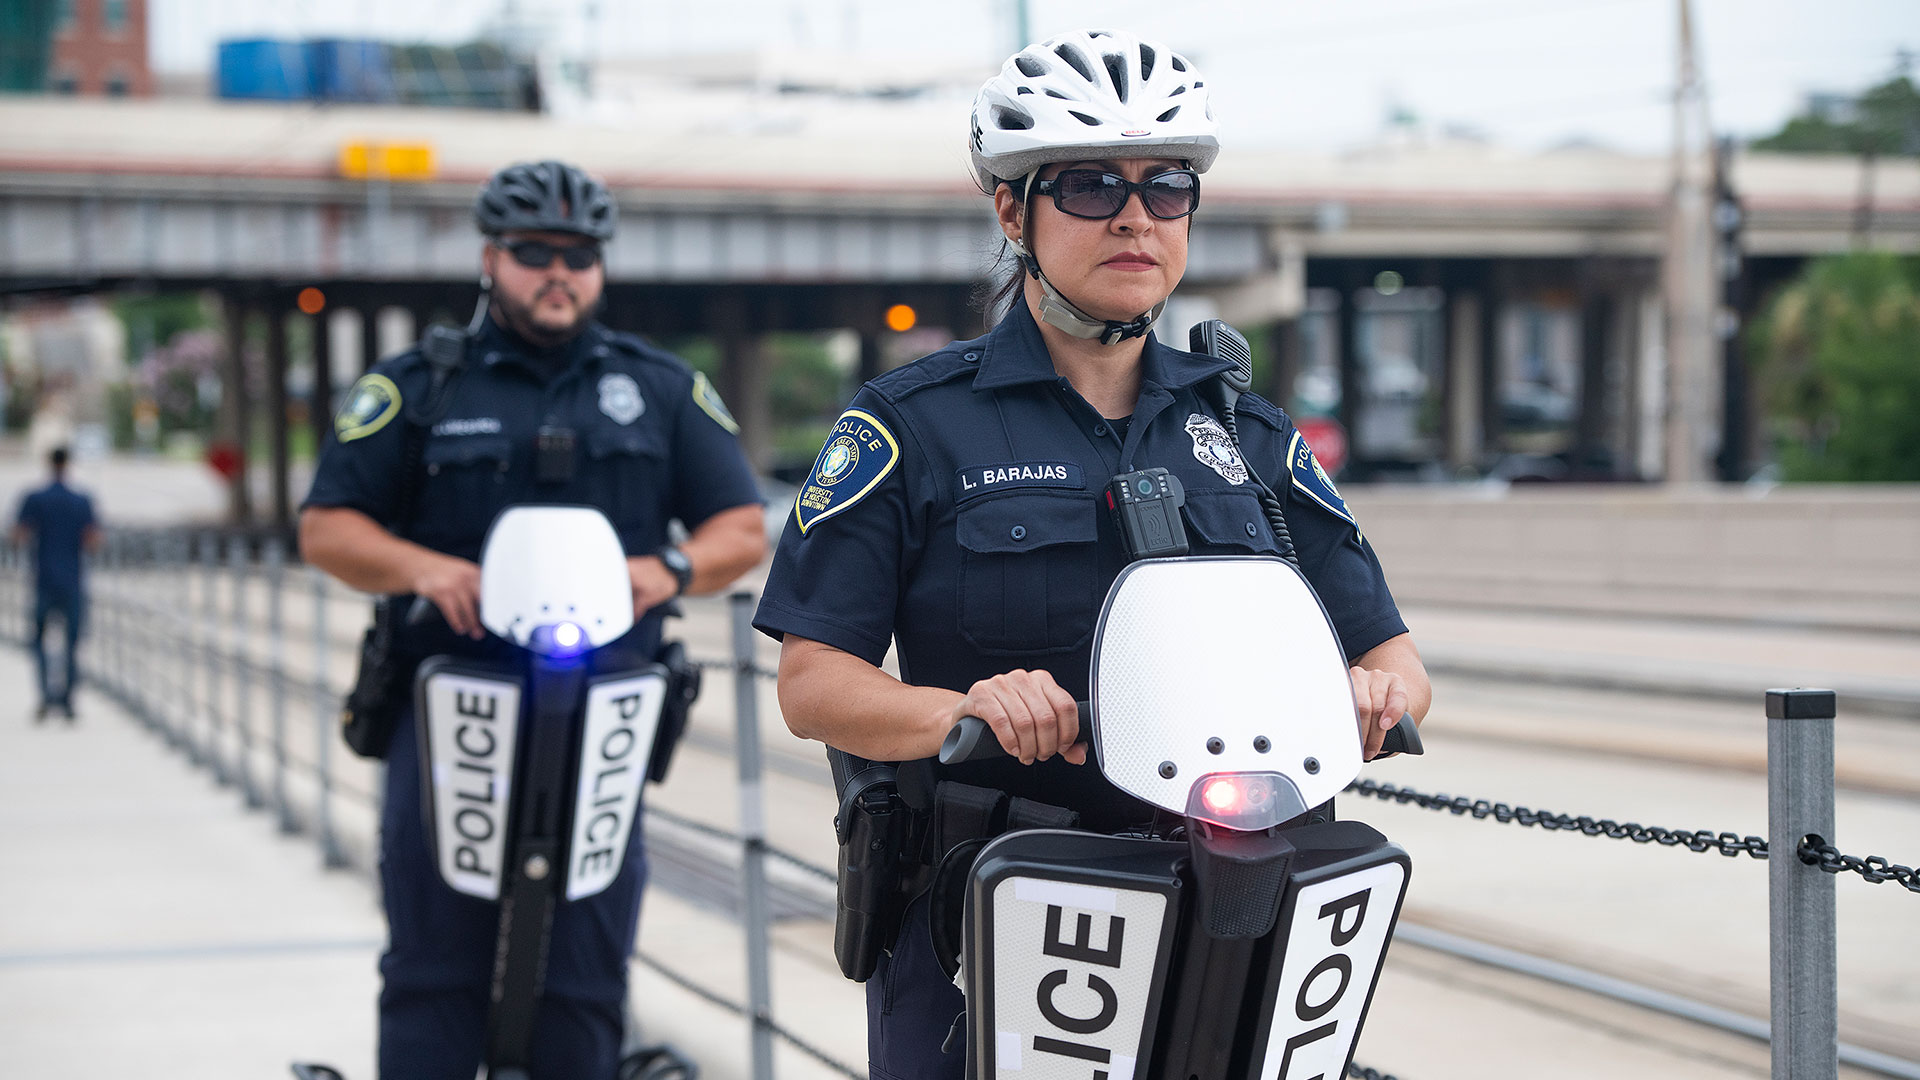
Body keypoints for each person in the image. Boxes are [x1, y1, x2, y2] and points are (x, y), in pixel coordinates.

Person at [753, 29, 1431, 1080]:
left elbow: (1395, 658)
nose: (1134, 216)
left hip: (1241, 921)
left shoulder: (1248, 435)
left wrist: (1373, 699)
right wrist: (963, 713)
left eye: (1166, 187)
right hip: (994, 921)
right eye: (1086, 186)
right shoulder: (911, 426)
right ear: (1012, 210)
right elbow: (811, 683)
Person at [299, 159, 766, 1079]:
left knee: (585, 968)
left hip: (604, 722)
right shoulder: (420, 388)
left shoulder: (660, 387)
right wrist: (423, 568)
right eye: (534, 253)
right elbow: (326, 527)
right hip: (451, 715)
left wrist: (665, 569)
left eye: (580, 255)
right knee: (434, 967)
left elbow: (741, 528)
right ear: (490, 257)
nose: (559, 272)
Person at [12, 446, 100, 722]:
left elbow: (19, 535)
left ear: (49, 464)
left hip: (43, 579)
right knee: (72, 643)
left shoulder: (35, 498)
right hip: (73, 579)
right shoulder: (81, 500)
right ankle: (68, 700)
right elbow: (93, 540)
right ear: (69, 464)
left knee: (39, 640)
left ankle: (45, 695)